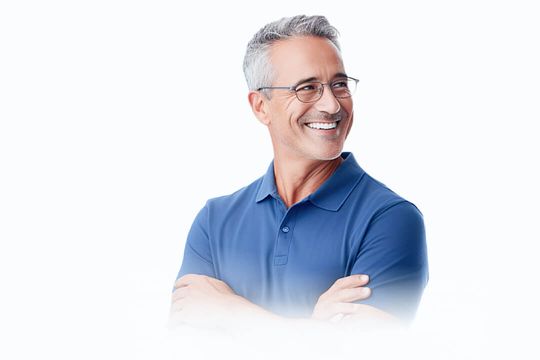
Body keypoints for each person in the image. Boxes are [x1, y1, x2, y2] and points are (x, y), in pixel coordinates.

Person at [170, 15, 428, 329]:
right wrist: (315, 329)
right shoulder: (214, 222)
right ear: (260, 106)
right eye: (307, 88)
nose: (332, 105)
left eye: (339, 85)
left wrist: (230, 312)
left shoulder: (390, 219)